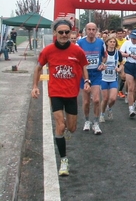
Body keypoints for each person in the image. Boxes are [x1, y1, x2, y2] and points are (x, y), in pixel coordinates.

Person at [31, 19, 90, 176]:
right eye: (61, 32)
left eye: (67, 32)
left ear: (70, 33)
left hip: (71, 94)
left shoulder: (77, 51)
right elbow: (38, 68)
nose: (64, 35)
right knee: (60, 126)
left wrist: (87, 81)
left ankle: (65, 131)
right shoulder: (48, 51)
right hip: (55, 93)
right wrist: (35, 87)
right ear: (55, 33)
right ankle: (64, 161)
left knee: (71, 128)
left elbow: (84, 66)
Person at [77, 22, 106, 135]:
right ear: (86, 30)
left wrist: (103, 64)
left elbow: (104, 56)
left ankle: (96, 123)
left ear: (96, 30)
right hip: (84, 75)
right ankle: (86, 120)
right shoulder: (80, 43)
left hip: (96, 74)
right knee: (86, 101)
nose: (91, 31)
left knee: (97, 100)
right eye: (89, 29)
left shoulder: (101, 42)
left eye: (93, 29)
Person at [100, 36, 124, 122]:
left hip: (113, 78)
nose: (112, 43)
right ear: (107, 43)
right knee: (105, 98)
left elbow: (122, 63)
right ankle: (102, 114)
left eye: (114, 42)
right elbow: (100, 63)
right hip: (103, 78)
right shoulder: (103, 53)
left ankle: (109, 108)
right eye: (111, 42)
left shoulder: (118, 53)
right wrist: (102, 66)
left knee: (113, 98)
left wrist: (119, 69)